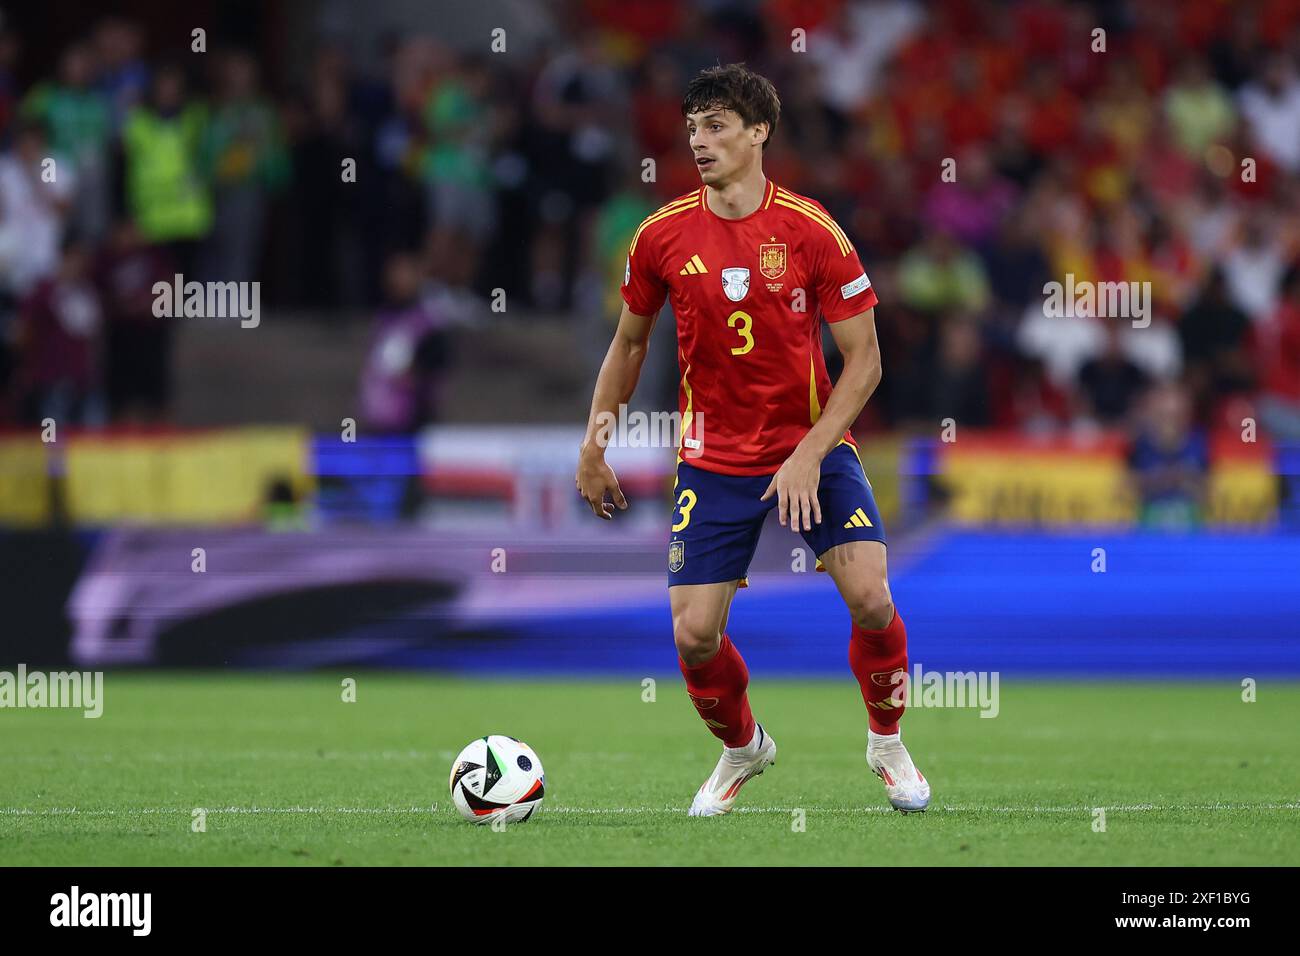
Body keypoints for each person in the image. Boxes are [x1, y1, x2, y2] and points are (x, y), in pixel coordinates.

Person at [575, 64, 929, 816]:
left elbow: (865, 361)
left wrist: (808, 453)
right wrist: (594, 444)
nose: (699, 141)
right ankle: (743, 748)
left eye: (717, 125)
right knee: (695, 637)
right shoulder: (661, 235)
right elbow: (630, 345)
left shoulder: (810, 230)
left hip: (813, 448)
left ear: (759, 131)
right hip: (711, 459)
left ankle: (888, 742)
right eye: (693, 127)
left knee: (870, 596)